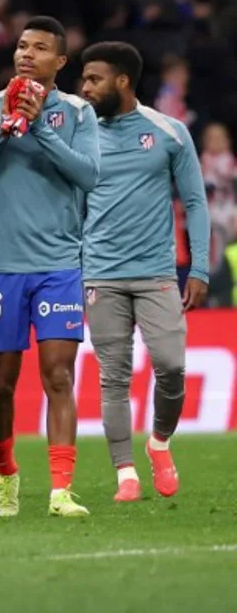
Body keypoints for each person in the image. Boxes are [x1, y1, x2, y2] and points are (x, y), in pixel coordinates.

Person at [0, 16, 100, 518]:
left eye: (39, 48)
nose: (26, 54)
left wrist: (37, 127)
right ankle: (6, 476)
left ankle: (61, 489)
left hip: (59, 264)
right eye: (21, 46)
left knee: (59, 375)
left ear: (60, 62)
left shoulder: (78, 112)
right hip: (1, 266)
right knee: (0, 384)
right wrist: (3, 131)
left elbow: (89, 174)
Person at [79, 41, 209, 502]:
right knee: (113, 377)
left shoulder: (169, 131)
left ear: (122, 81)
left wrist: (200, 266)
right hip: (101, 274)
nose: (85, 88)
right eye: (84, 79)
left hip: (156, 272)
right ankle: (125, 474)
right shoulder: (80, 135)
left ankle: (159, 443)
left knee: (172, 367)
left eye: (94, 79)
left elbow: (194, 200)